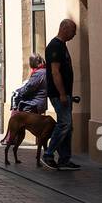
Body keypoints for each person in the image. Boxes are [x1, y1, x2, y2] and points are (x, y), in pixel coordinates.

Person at [42, 18, 80, 170]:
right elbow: (55, 72)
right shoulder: (55, 46)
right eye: (73, 31)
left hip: (65, 94)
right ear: (64, 29)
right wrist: (62, 94)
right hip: (58, 94)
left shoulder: (62, 46)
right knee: (65, 124)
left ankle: (64, 159)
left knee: (68, 127)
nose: (74, 34)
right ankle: (48, 154)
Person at [1, 54, 47, 145]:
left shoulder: (38, 73)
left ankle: (10, 138)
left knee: (15, 114)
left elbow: (29, 88)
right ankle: (11, 137)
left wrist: (19, 91)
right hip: (38, 102)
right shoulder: (44, 71)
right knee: (16, 108)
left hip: (33, 104)